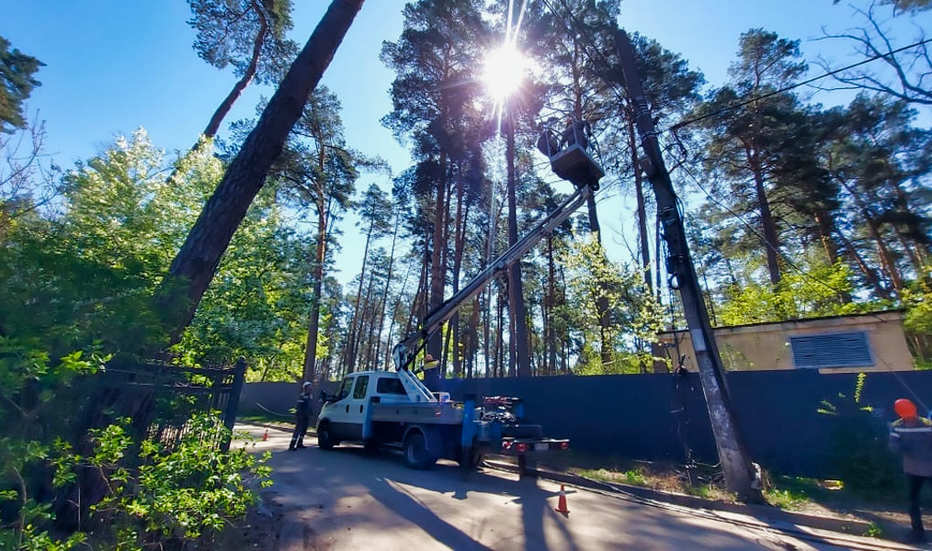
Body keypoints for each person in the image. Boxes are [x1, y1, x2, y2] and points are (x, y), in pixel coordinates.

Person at [889, 398, 932, 543]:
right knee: (913, 502)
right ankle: (918, 533)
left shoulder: (927, 425)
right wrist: (901, 447)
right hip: (913, 470)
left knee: (913, 502)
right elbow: (893, 444)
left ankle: (917, 534)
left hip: (926, 468)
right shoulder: (898, 426)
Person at [289, 381, 312, 451]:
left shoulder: (310, 396)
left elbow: (309, 406)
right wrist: (300, 415)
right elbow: (299, 406)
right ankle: (292, 445)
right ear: (305, 388)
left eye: (311, 387)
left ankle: (300, 443)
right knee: (298, 430)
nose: (311, 388)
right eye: (309, 387)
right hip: (301, 415)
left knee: (304, 430)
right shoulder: (302, 396)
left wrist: (310, 413)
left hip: (306, 415)